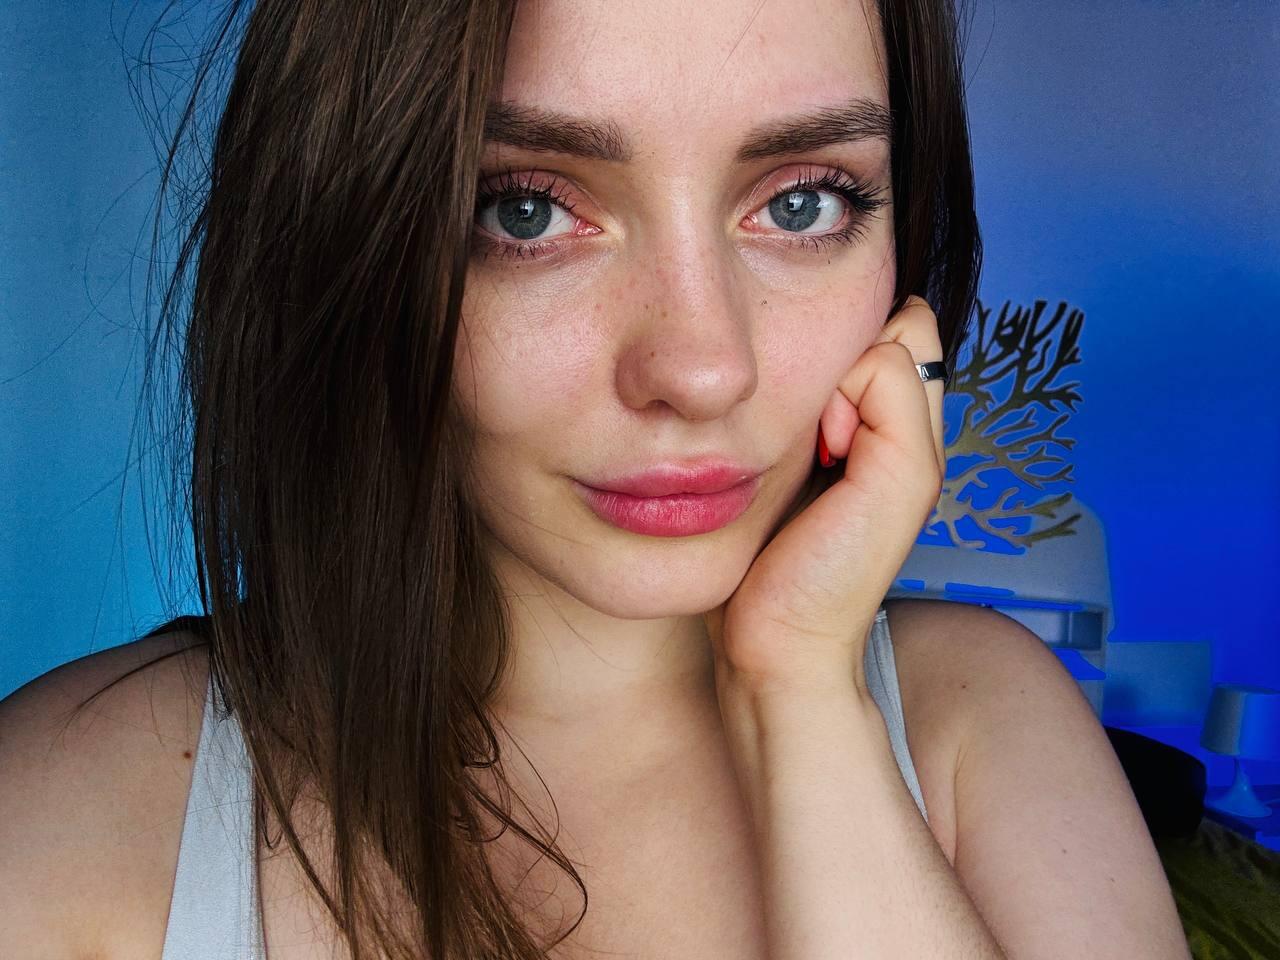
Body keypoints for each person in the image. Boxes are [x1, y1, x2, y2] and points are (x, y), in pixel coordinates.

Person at [0, 1, 1191, 958]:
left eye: (800, 203)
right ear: (346, 229)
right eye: (526, 211)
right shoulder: (66, 812)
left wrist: (802, 698)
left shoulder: (987, 730)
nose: (701, 368)